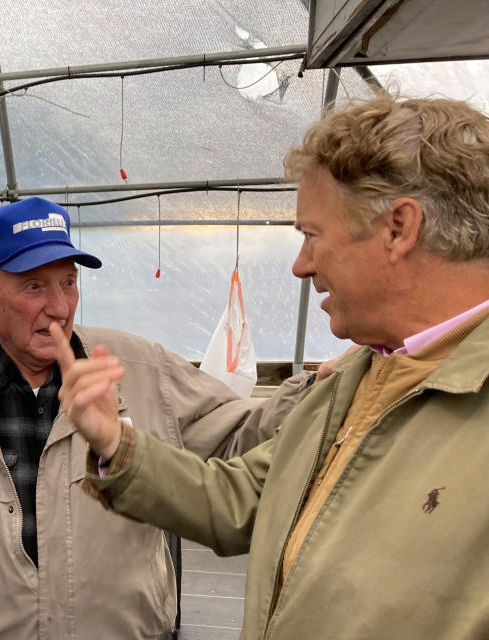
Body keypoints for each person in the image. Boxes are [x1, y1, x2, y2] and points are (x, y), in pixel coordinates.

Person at [52, 93, 489, 640]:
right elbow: (236, 499)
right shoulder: (356, 379)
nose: (300, 266)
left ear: (399, 228)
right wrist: (117, 444)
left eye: (311, 235)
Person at [0, 197, 311, 639]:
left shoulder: (137, 370)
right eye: (34, 285)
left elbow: (240, 435)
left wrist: (316, 393)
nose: (60, 306)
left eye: (68, 282)